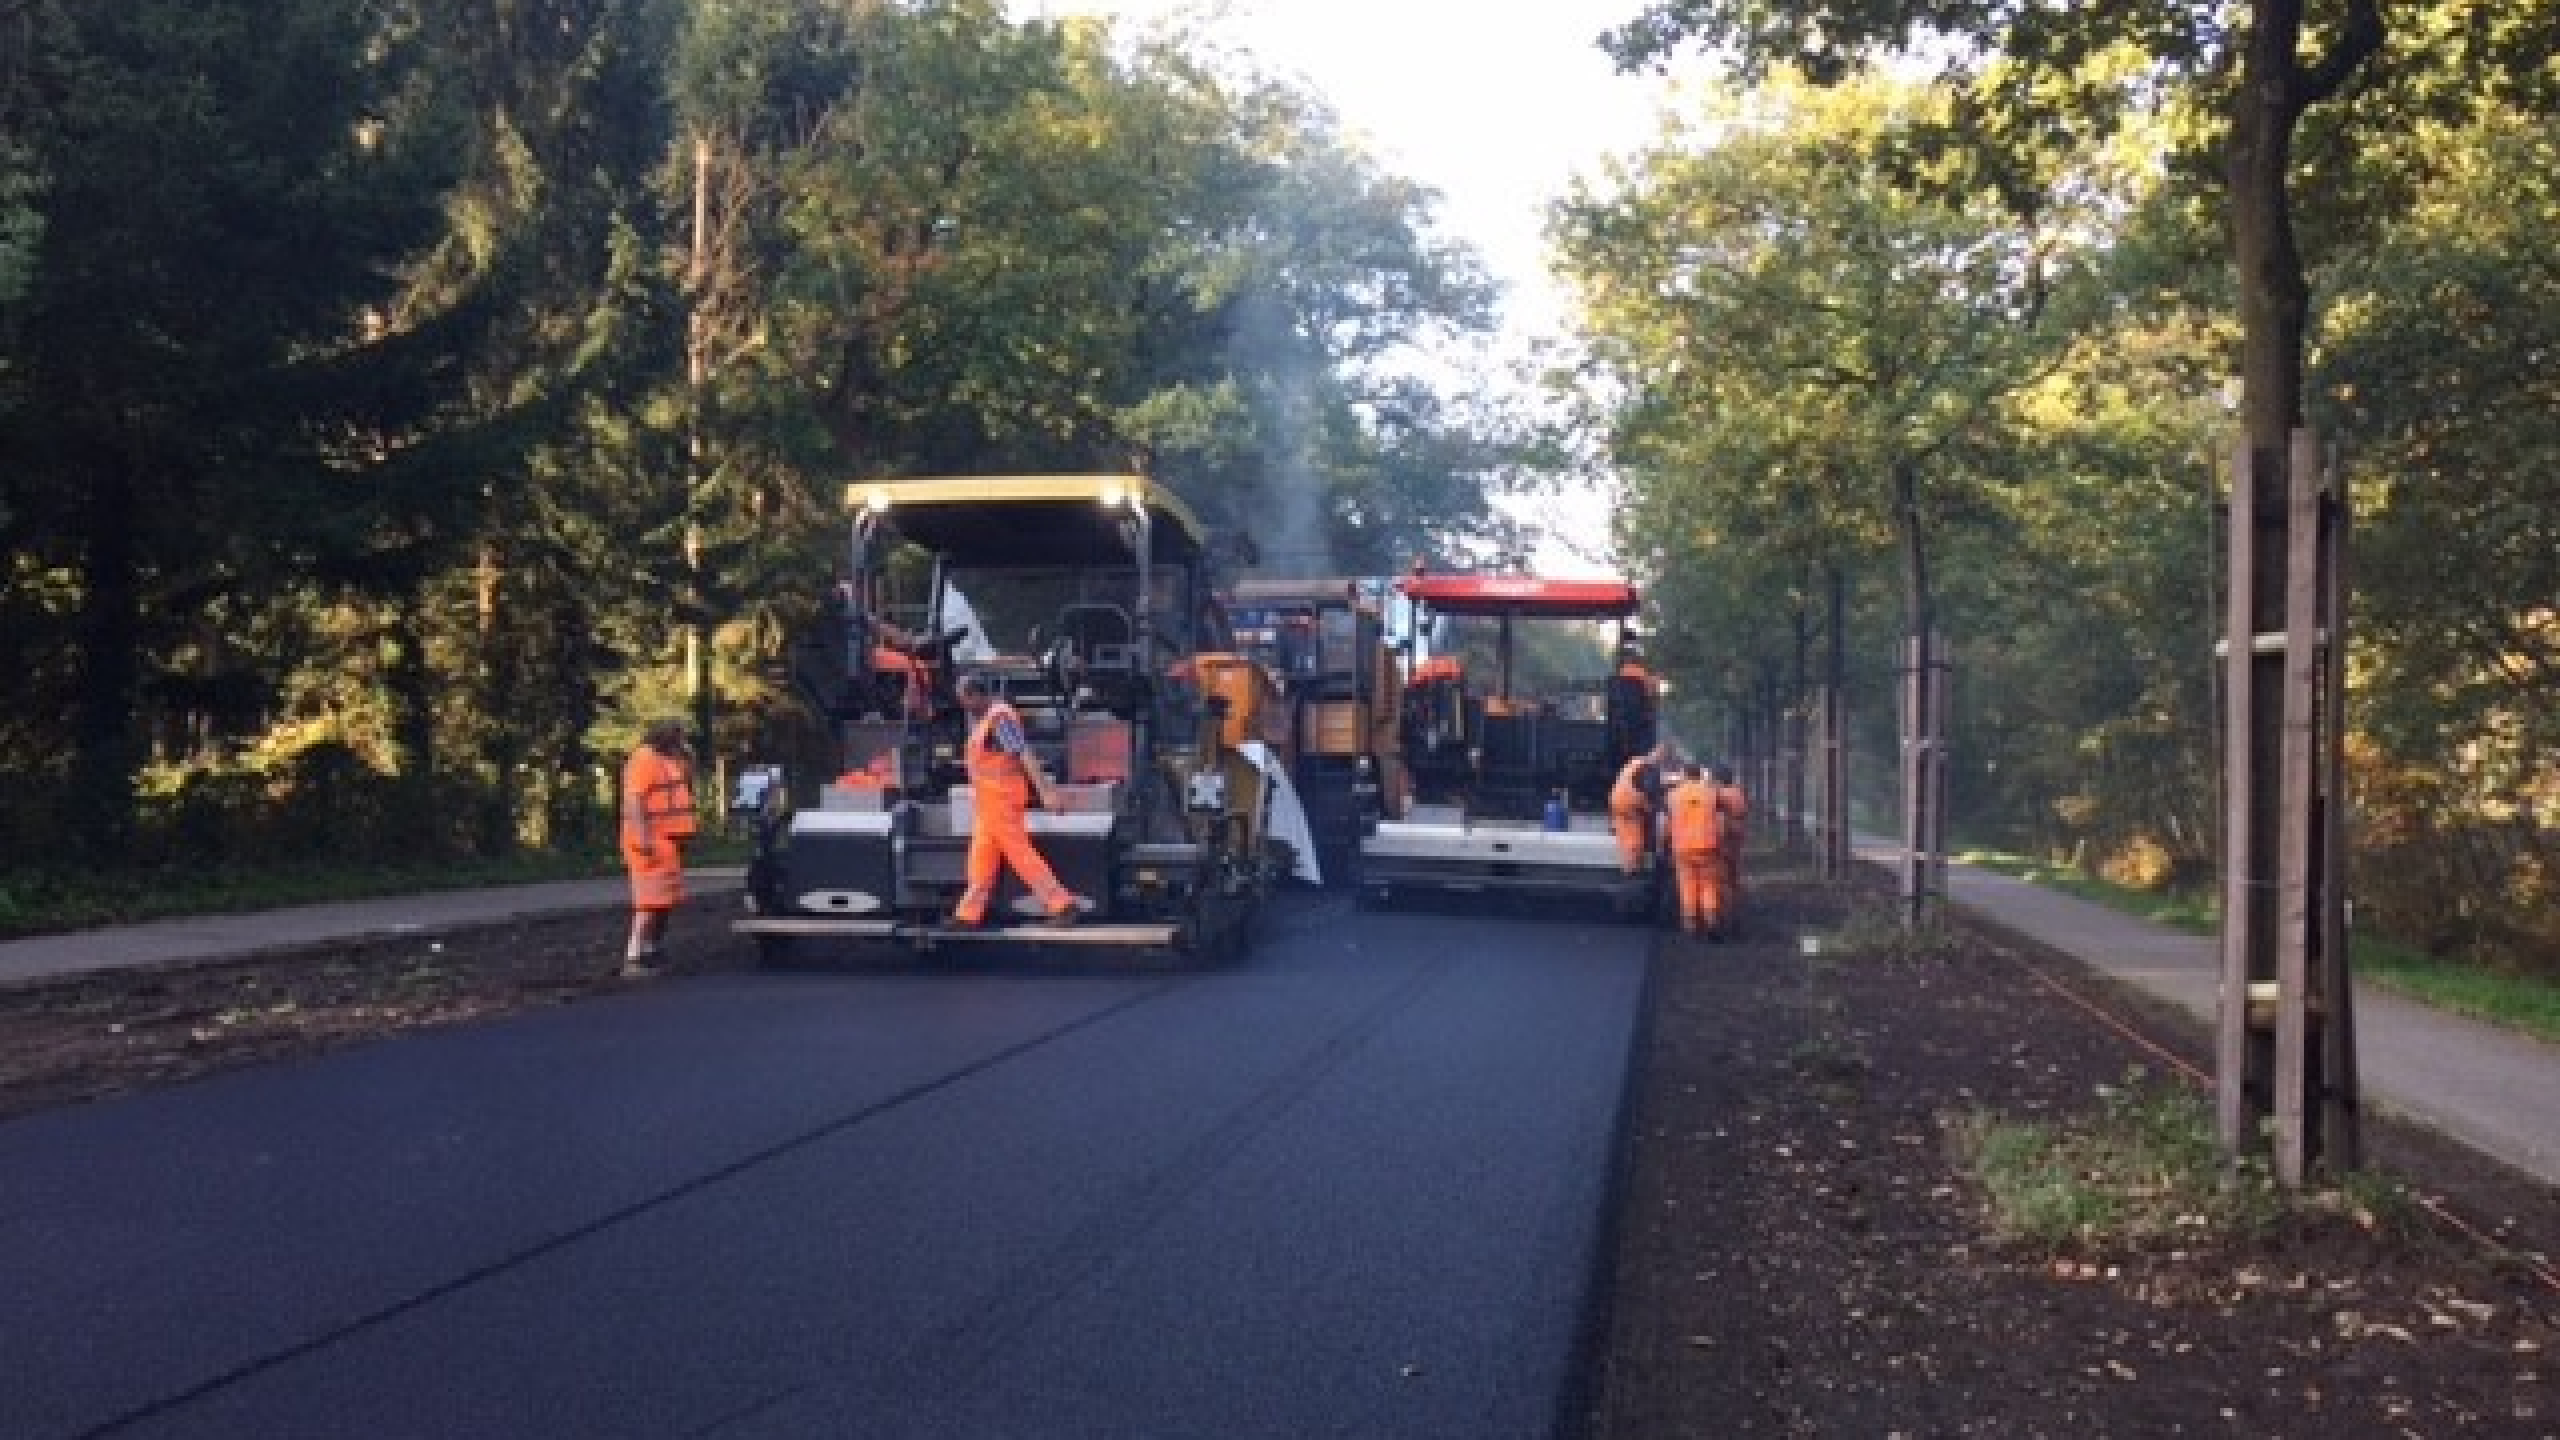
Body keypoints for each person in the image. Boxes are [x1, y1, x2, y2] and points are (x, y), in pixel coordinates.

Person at [950, 672, 1080, 928]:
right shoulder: (986, 720)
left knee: (1021, 856)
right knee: (980, 861)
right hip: (988, 805)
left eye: (964, 698)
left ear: (976, 696)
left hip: (1002, 801)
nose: (961, 704)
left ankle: (1062, 905)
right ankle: (967, 916)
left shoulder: (999, 719)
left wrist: (1046, 792)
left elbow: (1024, 755)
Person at [620, 716, 698, 975]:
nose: (682, 742)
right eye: (679, 737)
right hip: (649, 841)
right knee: (648, 903)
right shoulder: (644, 759)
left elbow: (684, 783)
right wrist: (642, 837)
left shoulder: (669, 759)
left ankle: (652, 949)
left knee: (665, 901)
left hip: (668, 842)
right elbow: (634, 800)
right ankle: (634, 956)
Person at [1666, 760, 1727, 939]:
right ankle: (1711, 922)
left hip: (1682, 848)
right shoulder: (1712, 794)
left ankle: (1691, 925)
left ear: (1685, 775)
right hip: (1708, 846)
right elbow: (1721, 819)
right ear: (1700, 775)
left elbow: (1667, 822)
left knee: (1687, 885)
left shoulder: (1673, 796)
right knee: (1708, 885)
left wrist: (1665, 843)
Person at [1609, 742, 1670, 876]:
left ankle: (1627, 867)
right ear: (1660, 755)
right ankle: (1632, 871)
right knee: (1635, 840)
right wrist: (1656, 805)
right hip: (1630, 803)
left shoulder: (1636, 762)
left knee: (1624, 833)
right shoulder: (1649, 768)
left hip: (1616, 799)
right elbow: (1649, 790)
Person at [1711, 762, 1750, 925]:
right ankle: (1735, 912)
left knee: (1722, 878)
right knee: (1734, 877)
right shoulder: (1738, 793)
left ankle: (1724, 915)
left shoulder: (1719, 795)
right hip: (1737, 837)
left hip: (1724, 838)